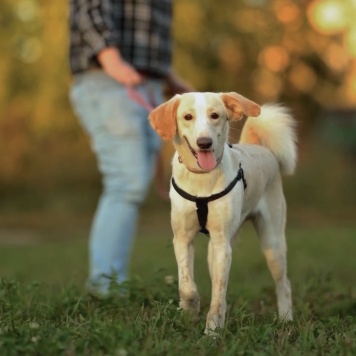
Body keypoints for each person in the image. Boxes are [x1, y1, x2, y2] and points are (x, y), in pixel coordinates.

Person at [68, 0, 191, 295]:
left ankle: (109, 282)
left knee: (134, 182)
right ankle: (105, 286)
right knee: (127, 181)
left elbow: (148, 27)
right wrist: (110, 58)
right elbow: (90, 7)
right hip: (109, 79)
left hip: (145, 82)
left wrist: (168, 77)